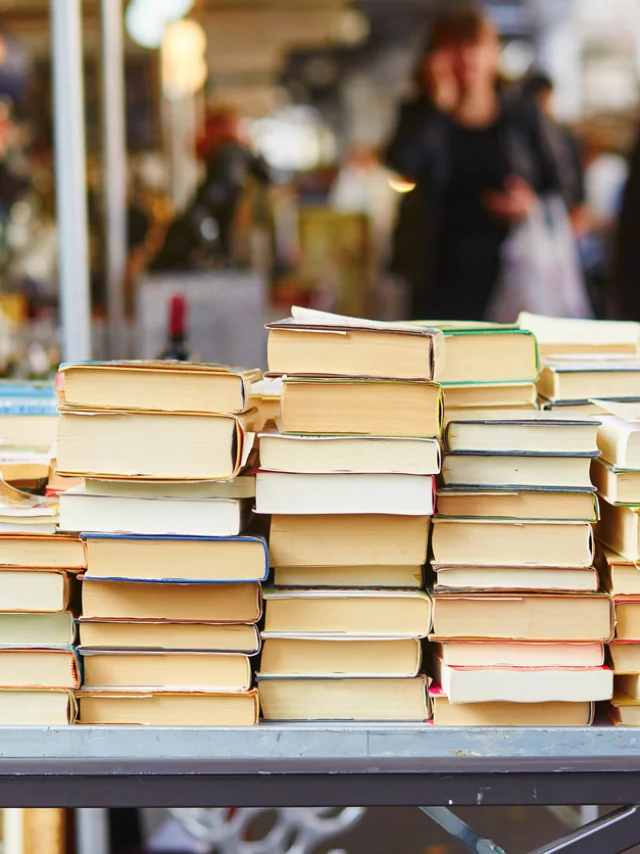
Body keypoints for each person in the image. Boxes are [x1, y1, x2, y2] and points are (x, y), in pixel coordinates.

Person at [385, 10, 564, 321]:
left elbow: (562, 182)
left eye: (475, 46)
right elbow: (402, 166)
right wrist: (438, 109)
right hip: (435, 265)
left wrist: (529, 203)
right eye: (455, 47)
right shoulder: (420, 113)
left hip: (509, 262)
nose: (467, 58)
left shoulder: (521, 116)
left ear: (493, 53)